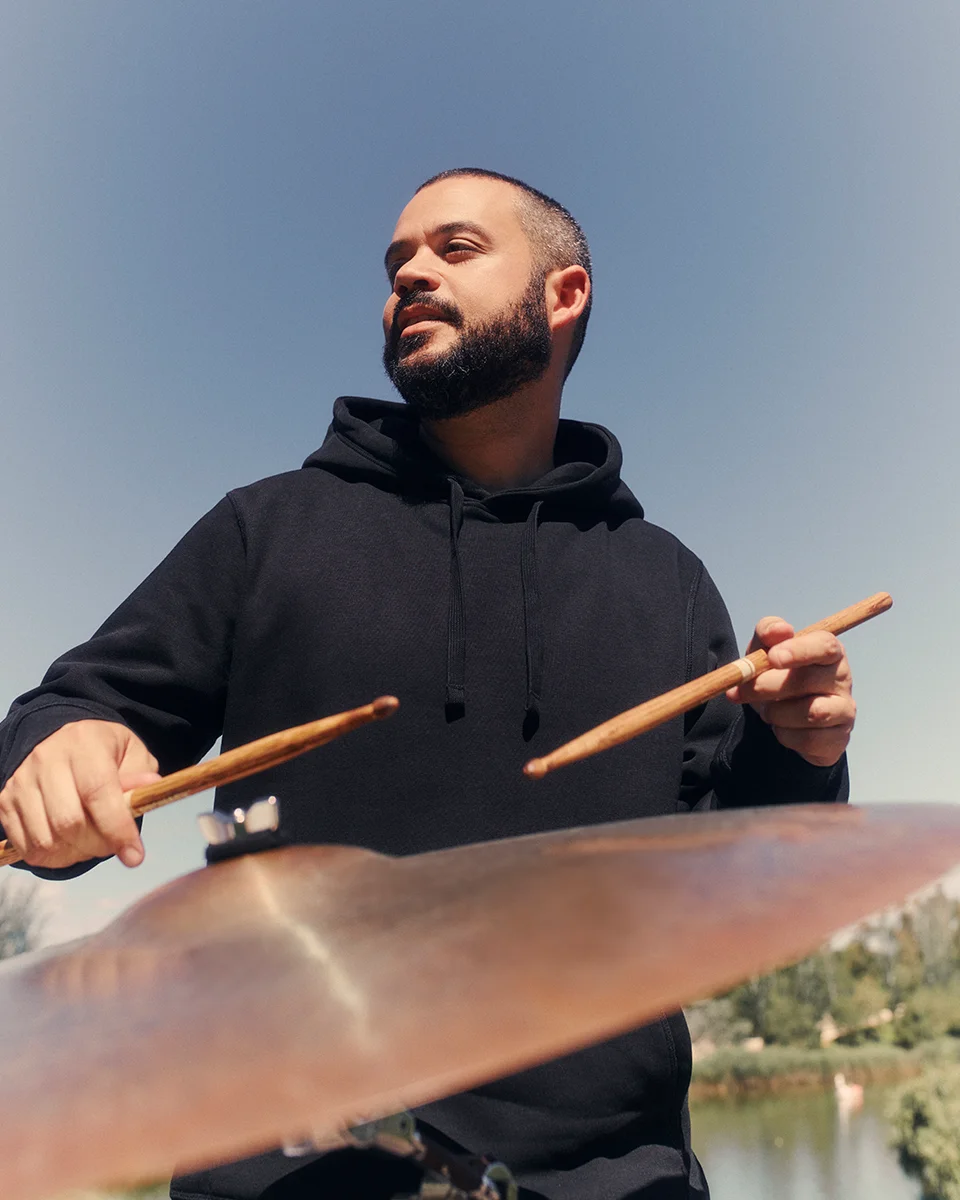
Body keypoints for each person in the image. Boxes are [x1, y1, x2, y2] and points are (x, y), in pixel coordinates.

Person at [0, 168, 856, 1200]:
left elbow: (728, 884)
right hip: (289, 1174)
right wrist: (58, 749)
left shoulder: (666, 579)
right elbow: (75, 712)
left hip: (614, 1179)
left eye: (453, 250)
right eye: (395, 260)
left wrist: (799, 755)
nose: (406, 273)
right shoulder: (265, 530)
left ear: (564, 293)